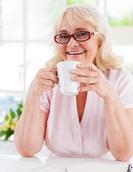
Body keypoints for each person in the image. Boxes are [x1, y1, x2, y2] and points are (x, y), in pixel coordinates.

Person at [14, 4, 133, 161]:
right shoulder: (48, 81)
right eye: (63, 36)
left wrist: (109, 96)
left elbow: (124, 154)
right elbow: (27, 149)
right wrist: (33, 95)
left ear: (100, 40)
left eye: (82, 34)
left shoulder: (120, 80)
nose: (71, 44)